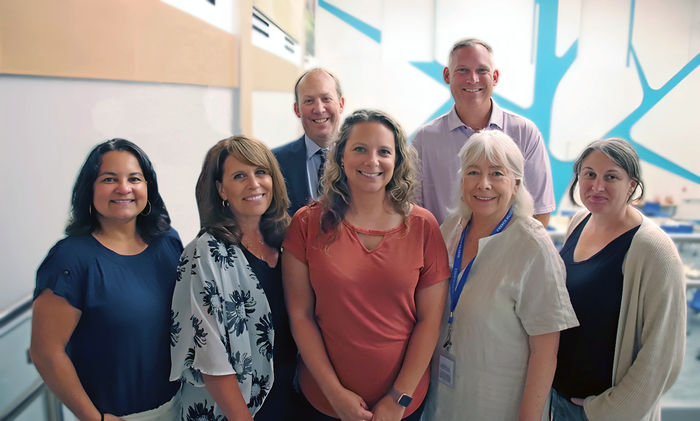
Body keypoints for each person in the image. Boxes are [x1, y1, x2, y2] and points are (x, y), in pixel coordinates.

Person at [283, 109, 450, 421]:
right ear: (341, 156)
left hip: (403, 407)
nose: (372, 161)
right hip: (323, 403)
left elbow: (430, 321)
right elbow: (300, 315)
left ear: (397, 161)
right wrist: (334, 393)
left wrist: (398, 398)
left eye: (384, 152)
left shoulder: (424, 227)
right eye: (360, 149)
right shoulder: (307, 223)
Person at [423, 130, 578, 421]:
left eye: (497, 173)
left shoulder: (533, 247)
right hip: (444, 399)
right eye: (473, 172)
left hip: (500, 404)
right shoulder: (452, 228)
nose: (483, 184)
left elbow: (545, 352)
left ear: (516, 183)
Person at [30, 139, 182, 421]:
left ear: (148, 186)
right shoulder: (69, 259)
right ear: (90, 189)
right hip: (118, 416)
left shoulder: (167, 241)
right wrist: (94, 418)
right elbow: (45, 352)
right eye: (109, 179)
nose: (124, 188)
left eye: (134, 178)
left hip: (179, 403)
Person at [550, 138, 686, 421]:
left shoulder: (653, 250)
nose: (597, 186)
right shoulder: (579, 222)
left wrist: (606, 411)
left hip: (604, 412)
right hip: (558, 400)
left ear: (632, 186)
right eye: (589, 174)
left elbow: (662, 356)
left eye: (611, 177)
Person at [171, 135, 302, 421]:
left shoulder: (287, 241)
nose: (254, 184)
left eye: (261, 172)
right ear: (221, 189)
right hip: (232, 410)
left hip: (288, 398)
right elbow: (210, 356)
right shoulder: (204, 253)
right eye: (239, 175)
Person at [412, 38, 554, 226]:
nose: (472, 79)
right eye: (462, 70)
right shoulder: (425, 139)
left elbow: (539, 212)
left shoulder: (524, 133)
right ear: (447, 75)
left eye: (482, 70)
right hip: (443, 253)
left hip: (509, 254)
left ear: (495, 77)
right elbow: (412, 211)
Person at [273, 68, 345, 215]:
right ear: (297, 109)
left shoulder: (362, 160)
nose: (319, 109)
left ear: (341, 104)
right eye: (309, 101)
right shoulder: (275, 162)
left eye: (326, 98)